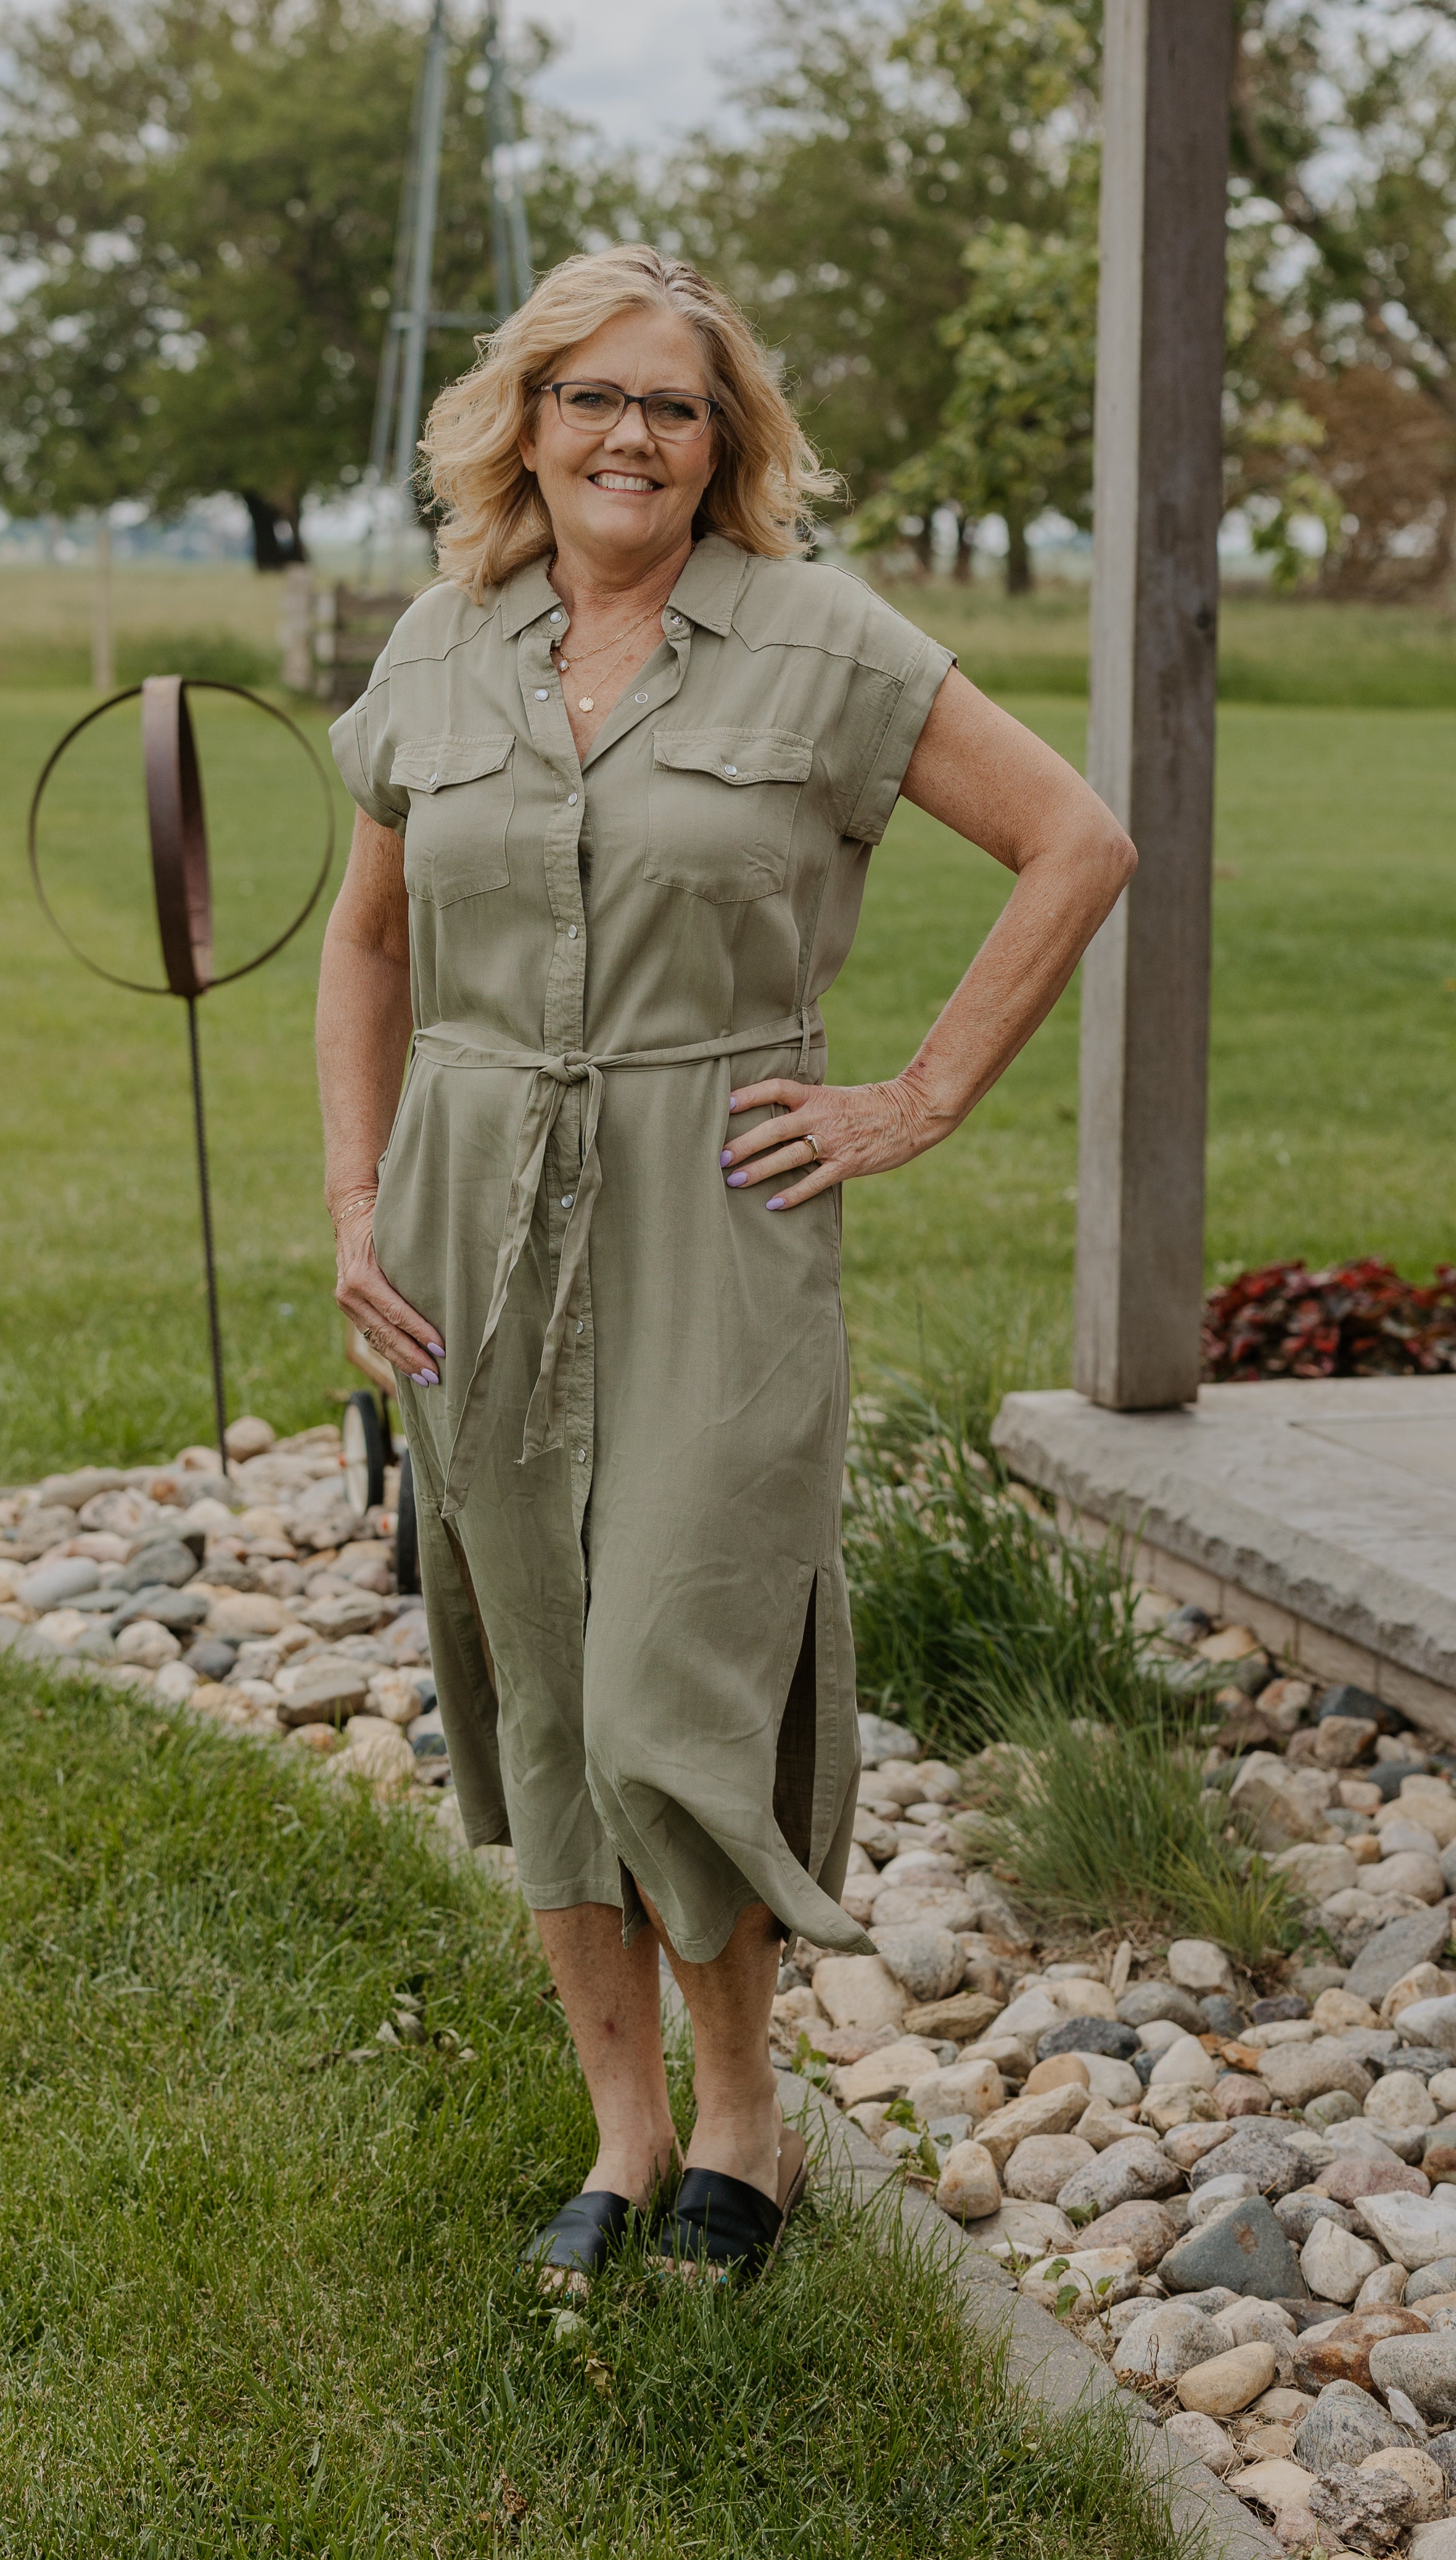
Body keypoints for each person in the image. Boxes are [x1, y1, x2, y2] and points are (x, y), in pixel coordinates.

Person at [313, 246, 1134, 2289]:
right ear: (526, 421)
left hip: (719, 1195)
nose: (630, 435)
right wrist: (355, 1202)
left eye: (671, 404)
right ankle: (627, 2130)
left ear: (723, 440)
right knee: (539, 1678)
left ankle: (749, 2116)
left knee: (669, 1676)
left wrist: (914, 1097)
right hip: (470, 1201)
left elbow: (1079, 839)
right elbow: (369, 938)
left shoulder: (819, 638)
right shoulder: (442, 643)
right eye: (590, 396)